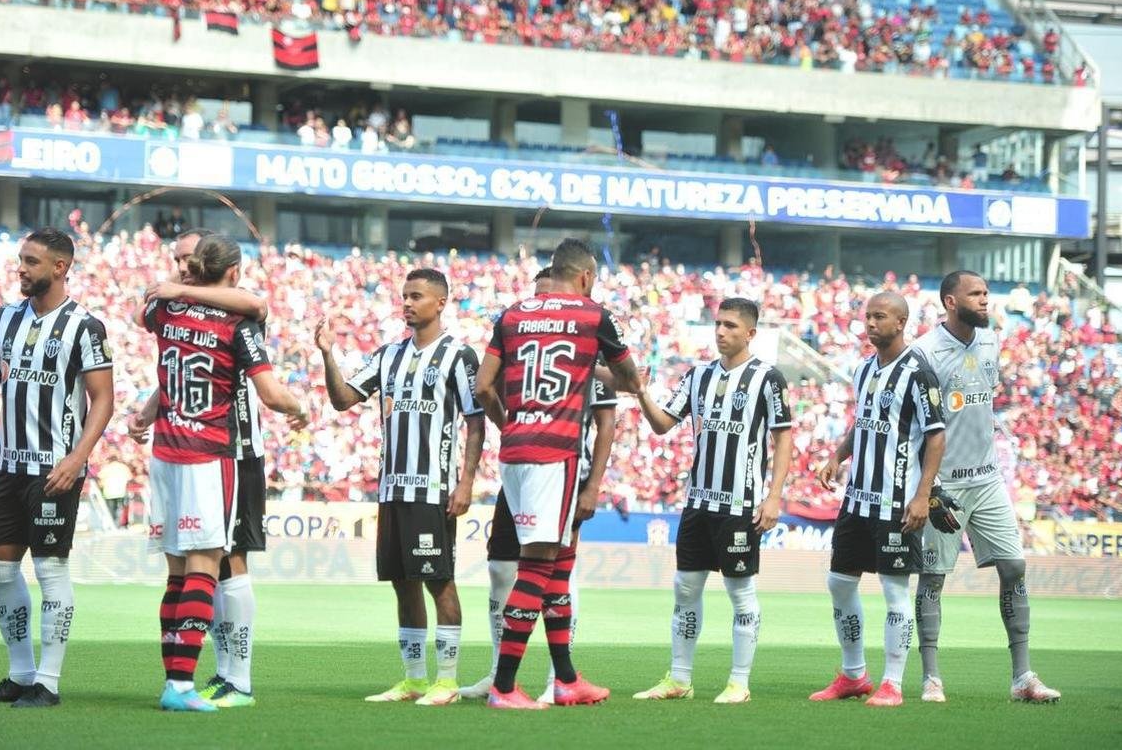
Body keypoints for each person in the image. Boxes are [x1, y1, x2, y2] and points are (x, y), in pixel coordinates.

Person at [0, 227, 115, 708]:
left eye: (31, 262)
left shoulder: (85, 326)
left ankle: (49, 683)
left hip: (54, 469)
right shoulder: (5, 318)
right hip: (9, 464)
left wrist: (77, 458)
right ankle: (20, 675)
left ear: (60, 268)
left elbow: (103, 399)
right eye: (21, 260)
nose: (20, 268)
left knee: (50, 569)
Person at [137, 234, 306, 712]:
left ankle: (177, 680)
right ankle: (193, 685)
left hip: (165, 453)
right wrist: (302, 407)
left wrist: (178, 285)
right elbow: (272, 394)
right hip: (211, 455)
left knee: (176, 571)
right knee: (207, 565)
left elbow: (141, 312)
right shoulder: (240, 324)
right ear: (233, 271)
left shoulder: (165, 311)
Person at [473, 238, 642, 709]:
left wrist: (511, 422)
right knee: (539, 564)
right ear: (586, 277)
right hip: (558, 454)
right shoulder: (593, 316)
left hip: (515, 450)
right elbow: (630, 381)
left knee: (560, 564)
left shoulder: (510, 315)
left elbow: (483, 385)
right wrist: (593, 371)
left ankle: (566, 678)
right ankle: (505, 687)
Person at [316, 268, 485, 707]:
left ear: (441, 302)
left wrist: (465, 483)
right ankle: (413, 679)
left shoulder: (459, 356)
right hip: (392, 491)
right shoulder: (388, 354)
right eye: (404, 295)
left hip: (434, 491)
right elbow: (343, 399)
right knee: (402, 584)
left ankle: (446, 681)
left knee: (440, 582)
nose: (407, 303)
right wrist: (327, 355)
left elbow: (476, 421)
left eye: (417, 296)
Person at [633, 297, 793, 705]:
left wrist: (773, 497)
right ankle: (680, 679)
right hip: (698, 503)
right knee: (685, 588)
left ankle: (739, 681)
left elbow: (783, 436)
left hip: (740, 506)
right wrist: (640, 392)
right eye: (718, 324)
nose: (721, 331)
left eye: (731, 326)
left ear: (750, 333)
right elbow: (662, 425)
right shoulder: (697, 375)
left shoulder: (767, 378)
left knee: (740, 593)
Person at [912, 271, 1061, 703]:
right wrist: (929, 489)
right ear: (950, 302)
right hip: (945, 484)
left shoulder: (992, 341)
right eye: (975, 294)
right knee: (934, 578)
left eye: (985, 294)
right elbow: (916, 428)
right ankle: (931, 678)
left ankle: (1022, 678)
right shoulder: (924, 352)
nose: (984, 301)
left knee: (1014, 567)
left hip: (988, 478)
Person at [809, 291, 946, 708]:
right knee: (839, 582)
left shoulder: (919, 373)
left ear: (900, 322)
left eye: (879, 316)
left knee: (894, 591)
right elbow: (864, 423)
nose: (869, 323)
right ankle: (853, 675)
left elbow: (937, 435)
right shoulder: (864, 369)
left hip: (896, 503)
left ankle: (893, 682)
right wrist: (837, 456)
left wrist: (922, 496)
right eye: (867, 316)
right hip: (857, 500)